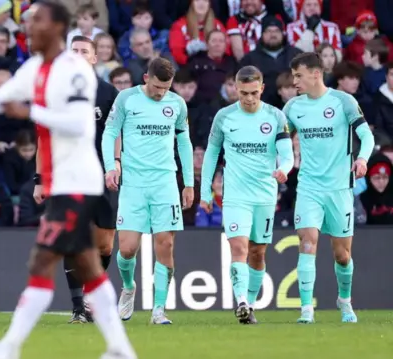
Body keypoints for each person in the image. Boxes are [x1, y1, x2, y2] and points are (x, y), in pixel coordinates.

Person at [0, 2, 136, 358]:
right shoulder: (36, 66)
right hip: (62, 182)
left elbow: (78, 123)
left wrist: (31, 111)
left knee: (42, 261)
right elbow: (1, 100)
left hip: (79, 180)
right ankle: (120, 348)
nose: (27, 25)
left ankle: (8, 348)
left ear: (57, 27)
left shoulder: (75, 71)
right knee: (87, 265)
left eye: (36, 20)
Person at [284, 52, 375, 324]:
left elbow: (366, 136)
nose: (294, 81)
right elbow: (277, 142)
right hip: (309, 186)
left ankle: (344, 302)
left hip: (339, 189)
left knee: (342, 255)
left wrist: (362, 158)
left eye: (299, 75)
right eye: (293, 76)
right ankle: (306, 310)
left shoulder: (343, 101)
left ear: (315, 73)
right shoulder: (292, 108)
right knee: (307, 242)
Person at [102, 57, 194, 325]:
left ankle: (158, 309)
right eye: (156, 87)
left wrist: (188, 183)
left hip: (165, 183)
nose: (160, 93)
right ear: (146, 78)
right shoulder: (126, 99)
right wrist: (111, 167)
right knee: (128, 249)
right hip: (133, 184)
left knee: (165, 244)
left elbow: (184, 143)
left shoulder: (176, 104)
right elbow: (109, 133)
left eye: (166, 88)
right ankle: (128, 287)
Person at [200, 66, 294, 324]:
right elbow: (211, 154)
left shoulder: (275, 116)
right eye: (243, 93)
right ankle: (241, 300)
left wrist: (283, 170)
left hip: (264, 195)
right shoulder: (224, 117)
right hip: (235, 196)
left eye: (254, 93)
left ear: (262, 88)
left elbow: (287, 154)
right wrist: (205, 190)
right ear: (235, 89)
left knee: (257, 253)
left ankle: (250, 305)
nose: (249, 98)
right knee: (239, 247)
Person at [61, 35, 120, 324]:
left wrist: (116, 164)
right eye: (75, 51)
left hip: (103, 175)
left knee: (105, 245)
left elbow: (117, 133)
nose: (80, 55)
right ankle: (77, 307)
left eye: (85, 51)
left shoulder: (109, 94)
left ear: (95, 58)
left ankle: (90, 293)